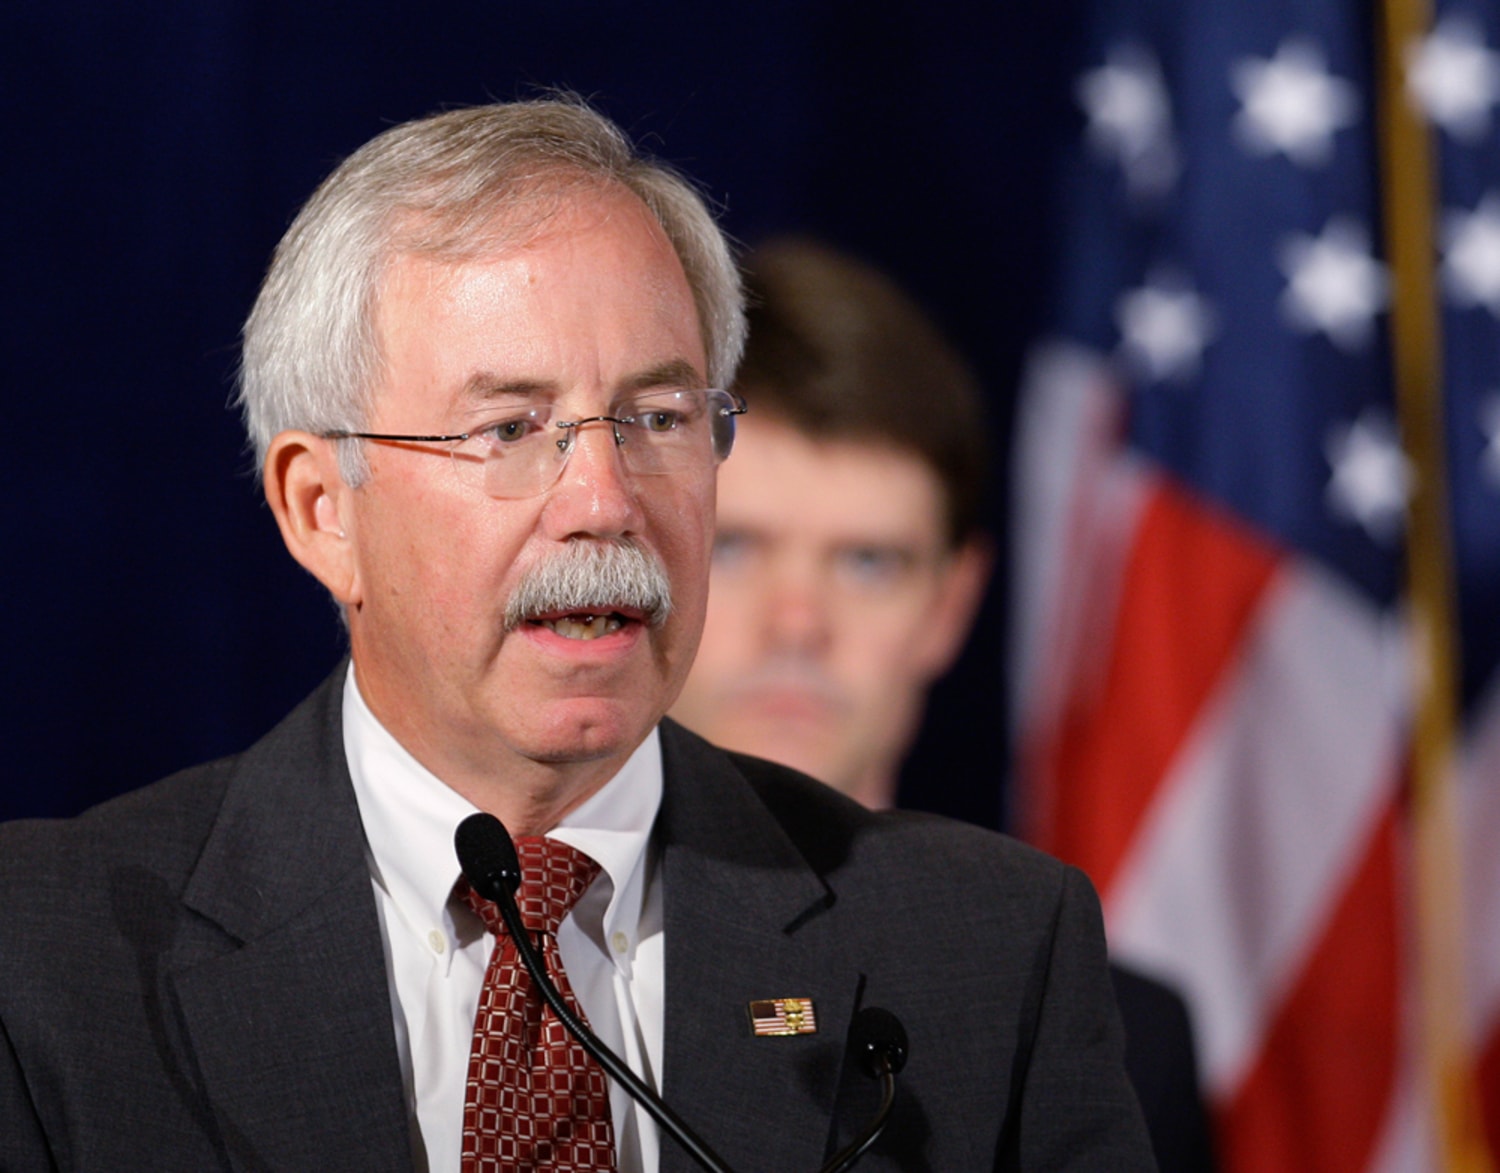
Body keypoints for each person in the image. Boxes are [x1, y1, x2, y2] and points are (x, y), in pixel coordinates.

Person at [0, 101, 1153, 1172]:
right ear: (322, 510)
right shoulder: (43, 965)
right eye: (510, 427)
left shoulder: (988, 954)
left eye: (658, 418)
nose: (605, 499)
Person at [671, 238, 1215, 1173]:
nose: (800, 622)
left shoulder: (1123, 1035)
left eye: (867, 562)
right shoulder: (523, 965)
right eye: (737, 547)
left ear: (951, 605)